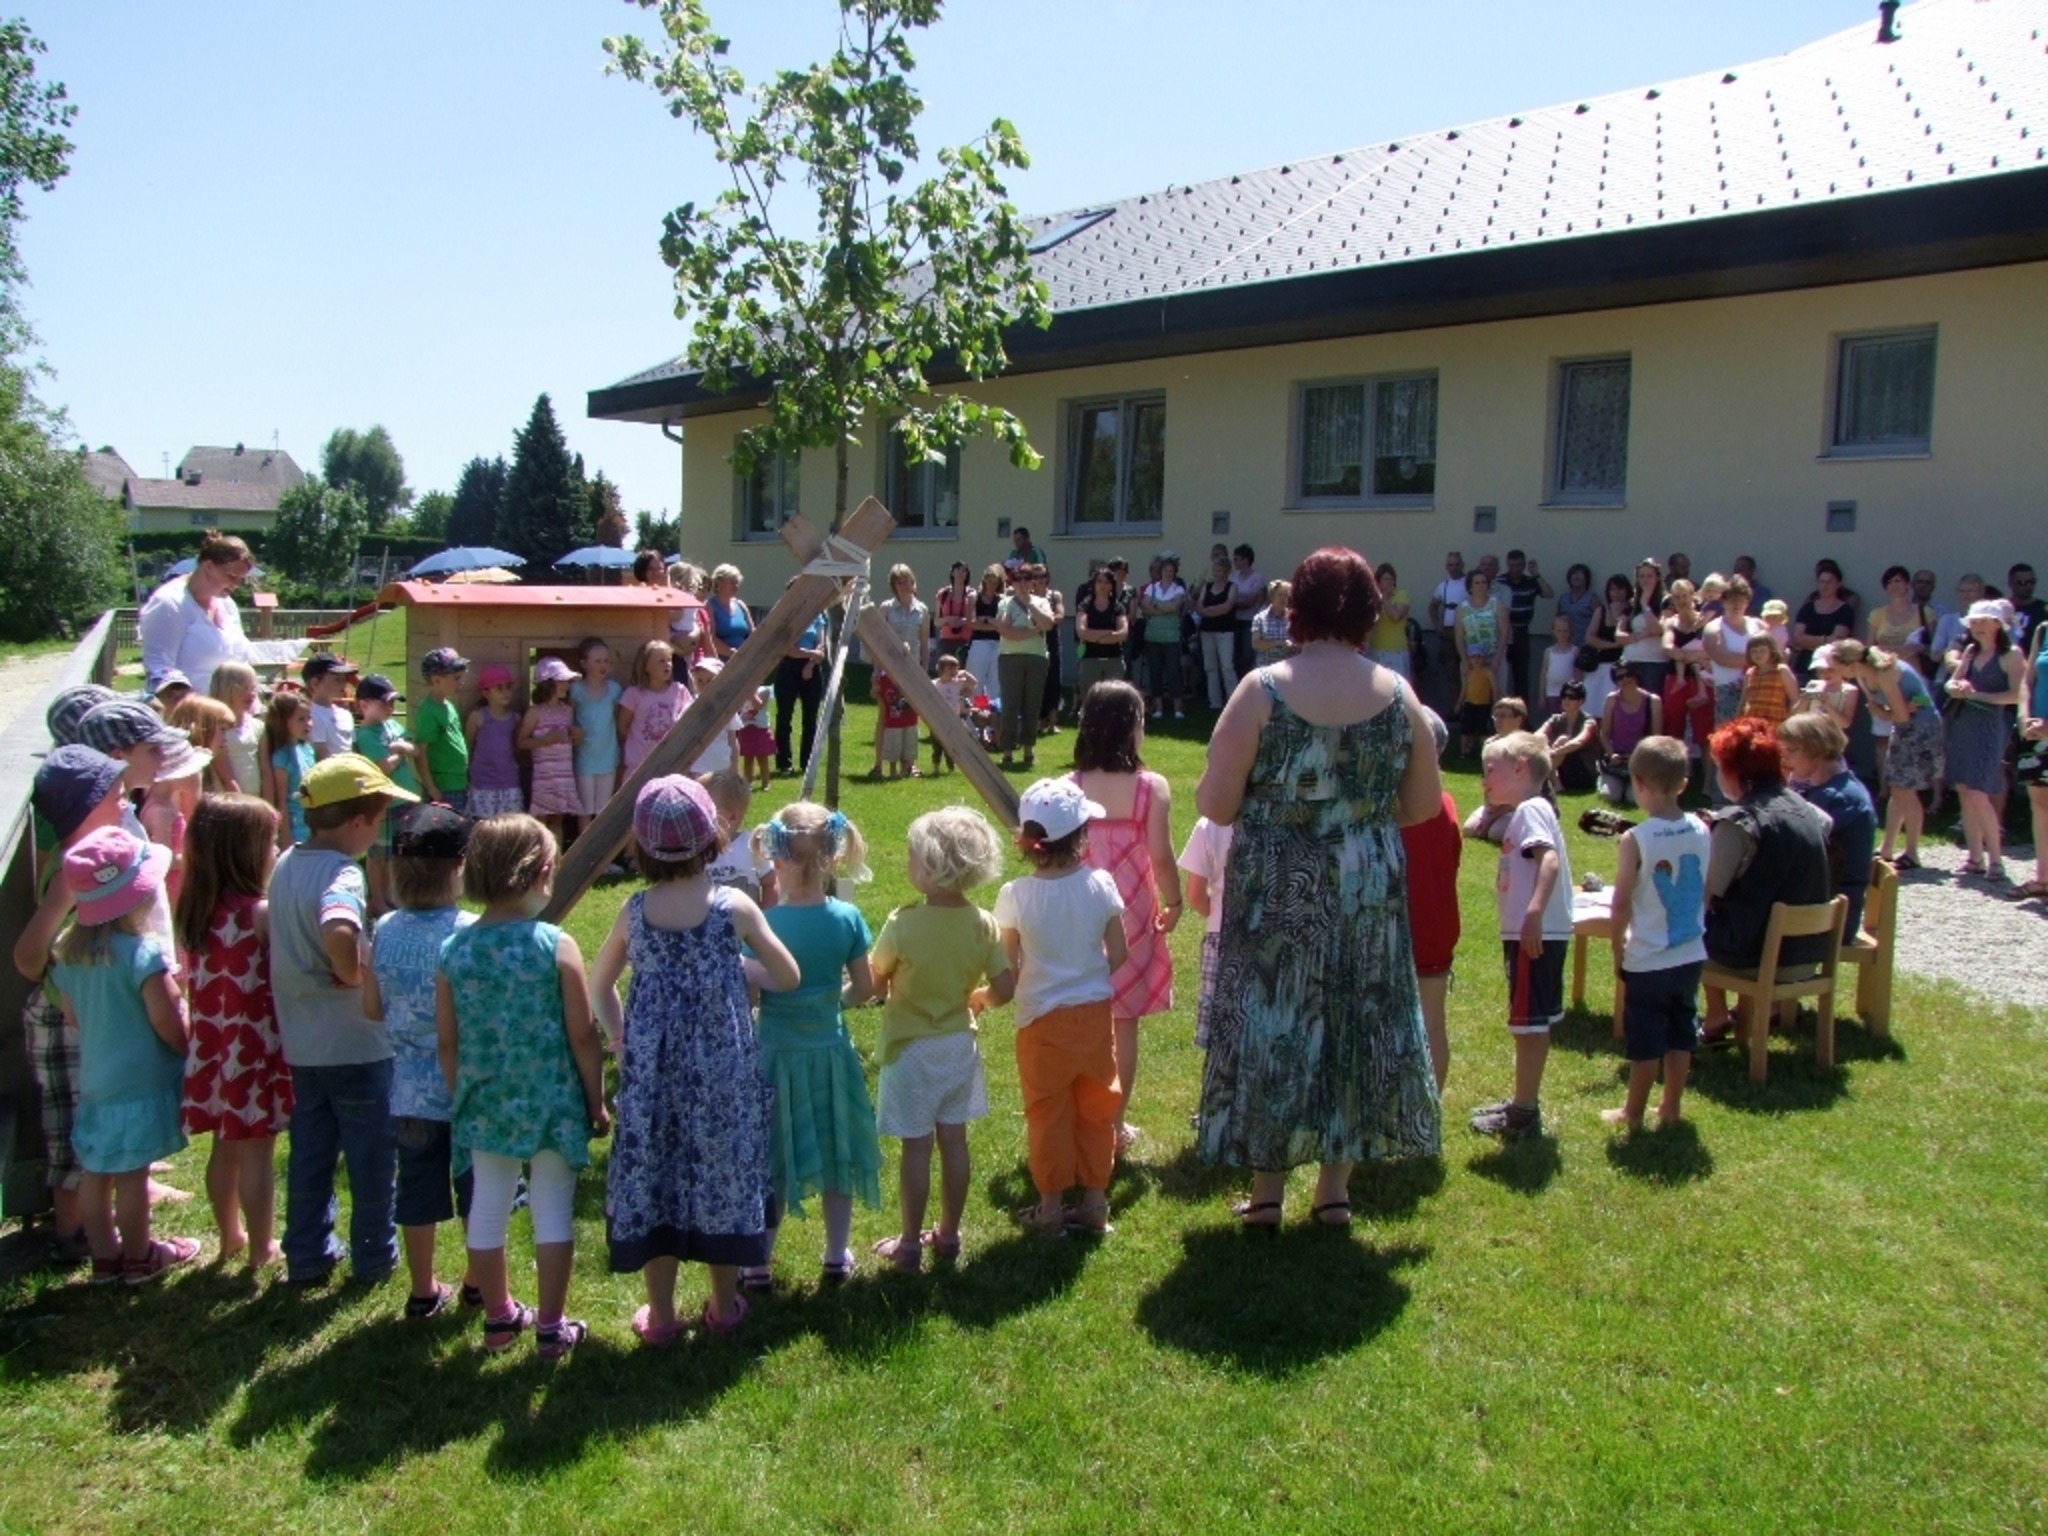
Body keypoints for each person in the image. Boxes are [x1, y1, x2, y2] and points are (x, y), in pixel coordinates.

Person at [1195, 546, 1443, 1224]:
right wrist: (1354, 817)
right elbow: (1423, 803)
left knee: (1276, 1020)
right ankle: (1334, 1191)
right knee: (1357, 1020)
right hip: (1367, 880)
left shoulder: (1262, 689)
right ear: (1368, 610)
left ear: (1296, 608)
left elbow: (1215, 805)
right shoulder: (1399, 695)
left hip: (1279, 878)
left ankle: (1268, 1193)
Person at [589, 776, 799, 1344]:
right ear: (713, 838)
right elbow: (786, 974)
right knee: (722, 1173)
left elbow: (599, 984)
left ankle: (660, 1317)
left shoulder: (634, 912)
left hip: (652, 1079)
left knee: (657, 1176)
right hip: (720, 1077)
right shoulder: (734, 907)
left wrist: (621, 1036)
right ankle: (724, 1306)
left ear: (642, 846)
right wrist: (742, 970)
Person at [437, 814, 606, 1359]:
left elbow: (447, 1042)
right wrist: (595, 1099)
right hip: (551, 1101)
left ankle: (497, 1318)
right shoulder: (555, 946)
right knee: (552, 1209)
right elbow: (582, 1034)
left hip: (484, 1102)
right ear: (540, 873)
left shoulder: (454, 952)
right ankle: (552, 1329)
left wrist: (457, 1095)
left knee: (487, 1206)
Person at [271, 753, 416, 1286]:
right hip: (356, 1044)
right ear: (356, 823)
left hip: (305, 1046)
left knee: (310, 1153)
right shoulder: (343, 874)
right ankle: (375, 1256)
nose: (377, 831)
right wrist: (354, 973)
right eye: (377, 821)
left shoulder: (287, 862)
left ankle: (306, 1255)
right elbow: (338, 927)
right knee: (372, 1157)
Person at [48, 827, 199, 1285]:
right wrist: (186, 1045)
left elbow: (72, 1017)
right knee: (133, 1177)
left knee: (97, 1174)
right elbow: (166, 1021)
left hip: (96, 1085)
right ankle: (140, 1257)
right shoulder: (143, 955)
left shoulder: (68, 956)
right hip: (141, 1084)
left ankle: (105, 1258)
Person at [742, 801, 882, 1288]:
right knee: (836, 1151)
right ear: (832, 858)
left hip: (775, 1055)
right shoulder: (847, 917)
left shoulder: (763, 925)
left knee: (772, 1157)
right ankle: (836, 1255)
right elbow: (866, 989)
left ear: (775, 858)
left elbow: (753, 992)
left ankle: (757, 1264)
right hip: (830, 1053)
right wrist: (834, 1001)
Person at [867, 807, 1012, 1272]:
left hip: (909, 1049)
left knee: (916, 1147)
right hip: (956, 1047)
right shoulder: (983, 923)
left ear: (930, 867)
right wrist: (980, 999)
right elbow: (1005, 988)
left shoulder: (902, 923)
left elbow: (875, 980)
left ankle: (910, 1243)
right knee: (955, 1141)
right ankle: (949, 1234)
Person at [986, 779, 1125, 1237]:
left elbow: (1008, 964)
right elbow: (1119, 954)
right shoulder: (1100, 884)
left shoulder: (1016, 894)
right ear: (1081, 835)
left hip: (1041, 1021)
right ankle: (1094, 1202)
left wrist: (987, 997)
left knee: (1047, 1111)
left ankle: (1049, 1208)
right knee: (1096, 1106)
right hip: (1094, 1015)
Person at [18, 748, 136, 1265]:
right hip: (60, 1016)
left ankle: (94, 1225)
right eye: (114, 795)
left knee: (92, 1120)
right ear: (85, 807)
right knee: (71, 1125)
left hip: (85, 1016)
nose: (124, 800)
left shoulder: (94, 856)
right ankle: (72, 1231)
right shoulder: (72, 872)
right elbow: (27, 958)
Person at [362, 804, 477, 1319]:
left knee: (416, 1192)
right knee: (478, 1191)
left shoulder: (384, 927)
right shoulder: (470, 930)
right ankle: (479, 1282)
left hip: (407, 1090)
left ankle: (423, 1289)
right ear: (459, 867)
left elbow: (371, 1007)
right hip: (468, 1089)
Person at [176, 793, 291, 1273]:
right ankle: (263, 1246)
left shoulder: (196, 909)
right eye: (270, 842)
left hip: (214, 1046)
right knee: (258, 1150)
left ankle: (230, 1237)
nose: (276, 851)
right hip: (253, 1049)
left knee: (225, 1147)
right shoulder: (259, 914)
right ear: (244, 851)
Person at [1067, 681, 1180, 1149]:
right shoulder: (1150, 788)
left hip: (1079, 913)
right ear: (1132, 728)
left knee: (1078, 1018)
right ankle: (1112, 1126)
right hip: (1130, 917)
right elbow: (1162, 855)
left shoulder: (1068, 788)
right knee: (1124, 1022)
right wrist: (1173, 902)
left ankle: (1075, 1120)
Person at [1699, 716, 1835, 1045]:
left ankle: (1699, 1018)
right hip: (1807, 952)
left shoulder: (1739, 823)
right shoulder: (1807, 810)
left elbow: (1705, 894)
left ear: (1735, 772)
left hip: (1755, 953)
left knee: (1679, 923)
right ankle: (1728, 1016)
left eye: (1718, 768)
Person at [1469, 731, 1574, 1140]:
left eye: (1490, 770)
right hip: (1535, 932)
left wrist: (1533, 912)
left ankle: (1524, 1111)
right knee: (1530, 1022)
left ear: (1520, 768)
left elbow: (1546, 860)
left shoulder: (1531, 810)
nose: (1484, 780)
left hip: (1534, 935)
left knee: (1528, 1025)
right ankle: (1521, 1101)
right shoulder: (1532, 808)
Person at [1602, 736, 1707, 1134]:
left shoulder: (1636, 839)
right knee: (1682, 1031)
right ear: (1683, 783)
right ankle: (1671, 1105)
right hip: (1691, 951)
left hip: (1648, 957)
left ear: (1639, 784)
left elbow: (1622, 902)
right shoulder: (1702, 827)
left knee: (1644, 1038)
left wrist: (1617, 948)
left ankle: (1632, 1111)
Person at [1834, 639, 1944, 871]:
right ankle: (1909, 852)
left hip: (1921, 729)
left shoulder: (1885, 673)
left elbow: (1900, 715)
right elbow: (1887, 712)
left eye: (1839, 666)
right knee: (1904, 791)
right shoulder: (1864, 677)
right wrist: (1888, 712)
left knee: (1901, 789)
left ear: (1852, 664)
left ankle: (1887, 848)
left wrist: (1888, 712)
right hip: (1904, 728)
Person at [1942, 600, 2027, 883]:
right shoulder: (1970, 651)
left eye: (1982, 621)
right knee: (1965, 789)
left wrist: (1977, 696)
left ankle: (1996, 860)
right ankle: (1974, 857)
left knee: (1979, 791)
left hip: (1991, 726)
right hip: (1963, 724)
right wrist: (1957, 688)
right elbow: (1951, 685)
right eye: (1973, 622)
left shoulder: (2011, 655)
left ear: (1997, 624)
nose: (1976, 627)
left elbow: (2017, 695)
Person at [1402, 705, 1462, 1092]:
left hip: (1400, 924)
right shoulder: (1448, 802)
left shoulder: (1396, 805)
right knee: (1433, 1022)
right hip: (1439, 922)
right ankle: (1429, 1110)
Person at [1783, 713, 1878, 938]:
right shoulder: (1829, 789)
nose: (1785, 759)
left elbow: (1796, 853)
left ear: (1816, 749)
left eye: (1792, 750)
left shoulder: (1840, 799)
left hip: (1833, 917)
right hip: (1820, 904)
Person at [137, 530, 257, 696]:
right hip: (187, 715)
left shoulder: (227, 605)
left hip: (229, 715)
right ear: (208, 566)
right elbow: (159, 671)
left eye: (242, 579)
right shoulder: (170, 603)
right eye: (231, 576)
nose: (237, 584)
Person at [350, 674, 420, 920]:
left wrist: (400, 748)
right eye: (385, 703)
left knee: (394, 853)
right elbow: (383, 767)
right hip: (382, 803)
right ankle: (377, 900)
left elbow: (415, 747)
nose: (391, 708)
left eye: (393, 703)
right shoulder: (366, 734)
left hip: (404, 800)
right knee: (377, 854)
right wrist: (400, 751)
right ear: (364, 705)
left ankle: (391, 897)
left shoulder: (393, 727)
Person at [1176, 812, 1234, 1054]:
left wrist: (1217, 913)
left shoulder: (1210, 825)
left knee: (1218, 1020)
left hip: (1219, 932)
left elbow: (1195, 894)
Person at [995, 564, 1056, 767]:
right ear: (1012, 582)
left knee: (1032, 704)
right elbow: (1007, 632)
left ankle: (1028, 749)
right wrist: (1032, 630)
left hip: (1037, 657)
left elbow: (1048, 624)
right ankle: (1007, 751)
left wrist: (1030, 605)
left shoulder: (1042, 601)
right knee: (1010, 705)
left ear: (1033, 582)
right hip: (1010, 658)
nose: (1022, 583)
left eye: (1026, 579)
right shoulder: (1005, 603)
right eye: (1018, 579)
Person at [518, 657, 583, 843]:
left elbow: (568, 740)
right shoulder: (535, 712)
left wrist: (578, 736)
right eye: (562, 681)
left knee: (558, 820)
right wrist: (545, 740)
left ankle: (556, 862)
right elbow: (521, 742)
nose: (566, 685)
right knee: (540, 821)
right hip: (544, 777)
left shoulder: (567, 710)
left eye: (567, 681)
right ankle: (538, 859)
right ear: (548, 685)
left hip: (563, 775)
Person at [571, 638, 624, 829]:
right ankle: (583, 855)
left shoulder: (614, 689)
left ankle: (601, 857)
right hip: (584, 757)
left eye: (606, 661)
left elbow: (619, 720)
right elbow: (568, 718)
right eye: (597, 661)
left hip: (607, 756)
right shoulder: (576, 690)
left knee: (602, 810)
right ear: (584, 664)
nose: (603, 665)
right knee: (585, 809)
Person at [2012, 623, 2048, 902]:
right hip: (2036, 732)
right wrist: (2024, 716)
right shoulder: (2043, 630)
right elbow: (2028, 679)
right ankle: (2043, 878)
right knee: (2040, 803)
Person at [701, 770, 774, 907]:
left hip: (746, 925)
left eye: (706, 811)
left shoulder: (752, 845)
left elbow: (770, 883)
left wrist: (768, 917)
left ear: (733, 816)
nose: (698, 817)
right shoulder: (695, 850)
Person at [1703, 574, 1768, 727]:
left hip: (1758, 688)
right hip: (1728, 690)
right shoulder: (1714, 628)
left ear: (1747, 601)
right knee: (1728, 741)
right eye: (1732, 599)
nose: (1737, 604)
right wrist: (1759, 658)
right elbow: (1724, 659)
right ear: (1723, 601)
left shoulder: (1758, 625)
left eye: (1741, 599)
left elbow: (1774, 655)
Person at [619, 640, 690, 780]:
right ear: (646, 666)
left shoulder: (679, 691)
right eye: (661, 661)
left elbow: (689, 722)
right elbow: (622, 726)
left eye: (669, 660)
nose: (668, 665)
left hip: (670, 763)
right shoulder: (634, 694)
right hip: (639, 766)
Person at [412, 648, 471, 811]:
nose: (461, 683)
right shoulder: (428, 711)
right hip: (443, 788)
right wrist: (431, 788)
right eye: (456, 678)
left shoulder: (448, 705)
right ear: (436, 680)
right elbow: (421, 752)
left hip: (459, 783)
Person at [774, 600, 828, 776]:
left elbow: (821, 647)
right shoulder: (787, 617)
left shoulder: (818, 615)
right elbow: (786, 648)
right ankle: (784, 763)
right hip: (788, 667)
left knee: (810, 719)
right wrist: (810, 654)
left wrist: (810, 664)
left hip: (811, 669)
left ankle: (807, 763)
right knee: (784, 716)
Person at [465, 664, 526, 819]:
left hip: (509, 782)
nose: (506, 692)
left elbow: (517, 749)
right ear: (486, 692)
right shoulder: (478, 717)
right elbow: (468, 747)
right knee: (484, 827)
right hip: (483, 784)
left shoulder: (515, 718)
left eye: (508, 687)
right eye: (499, 688)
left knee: (510, 827)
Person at [1498, 548, 1554, 701]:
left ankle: (1522, 716)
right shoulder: (1500, 582)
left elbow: (1549, 594)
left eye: (1518, 566)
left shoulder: (1530, 582)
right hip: (1502, 632)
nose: (1515, 569)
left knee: (1521, 676)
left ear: (1523, 566)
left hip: (1522, 633)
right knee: (1499, 674)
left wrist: (1536, 574)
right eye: (1511, 566)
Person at [1138, 556, 1189, 720]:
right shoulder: (1151, 588)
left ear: (1175, 573)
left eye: (1171, 570)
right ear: (1160, 572)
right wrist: (1165, 609)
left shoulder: (1178, 589)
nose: (1168, 573)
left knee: (1174, 672)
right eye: (1165, 570)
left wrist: (1155, 607)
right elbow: (1145, 608)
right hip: (1153, 636)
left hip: (1172, 637)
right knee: (1155, 672)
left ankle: (1177, 709)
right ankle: (1158, 708)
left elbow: (1175, 606)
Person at [261, 691, 314, 846]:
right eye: (301, 719)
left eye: (309, 718)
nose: (308, 724)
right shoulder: (281, 757)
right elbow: (281, 800)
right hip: (295, 827)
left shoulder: (307, 750)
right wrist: (286, 837)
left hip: (311, 822)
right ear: (283, 722)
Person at [206, 661, 265, 798]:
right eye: (244, 688)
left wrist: (268, 803)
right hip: (229, 801)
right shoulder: (216, 728)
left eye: (253, 688)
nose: (251, 693)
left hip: (256, 800)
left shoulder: (258, 726)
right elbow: (227, 779)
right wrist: (244, 806)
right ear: (226, 689)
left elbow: (266, 771)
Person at [1791, 560, 1856, 680]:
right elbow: (1797, 638)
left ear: (1838, 584)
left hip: (1831, 670)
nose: (1825, 586)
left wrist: (1808, 642)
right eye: (1822, 582)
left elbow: (1837, 641)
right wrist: (1825, 639)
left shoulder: (1845, 610)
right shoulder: (1808, 608)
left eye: (1829, 582)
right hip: (1804, 667)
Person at [1073, 565, 1129, 704]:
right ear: (1094, 584)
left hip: (1114, 659)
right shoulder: (1085, 606)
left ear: (1112, 585)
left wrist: (1095, 636)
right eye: (1099, 581)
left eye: (1106, 582)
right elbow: (1081, 632)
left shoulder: (1118, 607)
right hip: (1090, 660)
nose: (1103, 585)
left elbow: (1123, 634)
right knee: (1090, 700)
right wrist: (1109, 634)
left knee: (1114, 700)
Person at [1194, 551, 1240, 709]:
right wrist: (1213, 610)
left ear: (1227, 571)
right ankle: (1215, 703)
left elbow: (1227, 607)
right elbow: (1199, 607)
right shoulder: (1206, 587)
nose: (1215, 573)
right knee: (1210, 667)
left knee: (1227, 666)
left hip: (1225, 631)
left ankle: (1233, 702)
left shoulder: (1232, 587)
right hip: (1207, 631)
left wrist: (1209, 610)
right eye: (1214, 570)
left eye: (1219, 570)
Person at [1539, 680, 1601, 794]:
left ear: (1581, 701)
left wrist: (1553, 752)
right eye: (1564, 696)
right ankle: (1555, 783)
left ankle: (1550, 782)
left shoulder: (1589, 721)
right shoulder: (1556, 719)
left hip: (1583, 772)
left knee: (1563, 739)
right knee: (1544, 742)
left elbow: (1578, 742)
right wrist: (1545, 747)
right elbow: (1539, 734)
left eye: (1572, 697)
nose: (1566, 700)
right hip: (1561, 769)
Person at [1619, 558, 1669, 696]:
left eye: (1649, 575)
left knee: (1651, 705)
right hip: (1630, 662)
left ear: (1657, 577)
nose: (1645, 580)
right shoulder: (1631, 604)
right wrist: (1641, 635)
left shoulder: (1666, 601)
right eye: (1641, 576)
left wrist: (1645, 603)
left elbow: (1658, 630)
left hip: (1654, 663)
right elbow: (1618, 636)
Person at [302, 655, 358, 761]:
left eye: (344, 679)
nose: (344, 684)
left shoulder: (345, 714)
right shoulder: (311, 715)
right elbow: (321, 756)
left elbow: (353, 750)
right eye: (337, 679)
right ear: (315, 683)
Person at [964, 563, 1006, 698]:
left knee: (995, 683)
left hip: (997, 643)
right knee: (975, 680)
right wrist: (993, 624)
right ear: (984, 579)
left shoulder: (1001, 600)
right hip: (979, 642)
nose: (991, 584)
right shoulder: (974, 597)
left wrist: (985, 619)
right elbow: (972, 623)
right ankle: (970, 715)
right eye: (989, 580)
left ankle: (992, 715)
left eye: (995, 582)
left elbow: (1002, 625)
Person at [1739, 634, 1798, 725]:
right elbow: (1743, 702)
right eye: (1754, 651)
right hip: (1751, 724)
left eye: (1762, 650)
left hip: (1775, 723)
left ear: (1771, 651)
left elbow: (1794, 699)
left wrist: (1790, 723)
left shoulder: (1781, 670)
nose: (1758, 654)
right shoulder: (1750, 673)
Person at [1367, 563, 1413, 678]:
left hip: (1395, 650)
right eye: (1385, 579)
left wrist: (1385, 599)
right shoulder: (1372, 597)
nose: (1388, 582)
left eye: (1391, 579)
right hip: (1375, 648)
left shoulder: (1401, 595)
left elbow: (1396, 617)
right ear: (1378, 581)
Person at [704, 564, 755, 660]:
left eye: (737, 582)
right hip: (722, 661)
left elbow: (753, 634)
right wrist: (731, 653)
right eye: (732, 582)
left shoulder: (741, 605)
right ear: (719, 583)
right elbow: (710, 638)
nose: (736, 586)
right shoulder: (709, 606)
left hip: (744, 659)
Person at [1229, 544, 1264, 676]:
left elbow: (1252, 600)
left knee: (1247, 655)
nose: (1235, 561)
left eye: (1237, 559)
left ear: (1245, 560)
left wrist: (1232, 603)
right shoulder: (1233, 576)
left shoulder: (1257, 577)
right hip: (1234, 620)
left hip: (1250, 621)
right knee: (1235, 654)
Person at [935, 560, 976, 664]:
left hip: (965, 641)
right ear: (952, 572)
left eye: (964, 570)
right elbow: (936, 621)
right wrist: (948, 620)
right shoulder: (943, 594)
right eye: (957, 569)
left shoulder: (972, 594)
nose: (960, 573)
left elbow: (975, 619)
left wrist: (962, 621)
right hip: (946, 641)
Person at [1540, 614, 1577, 716]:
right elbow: (1544, 674)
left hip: (1569, 694)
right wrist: (1542, 695)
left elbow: (1578, 673)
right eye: (1559, 631)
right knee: (1554, 720)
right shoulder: (1549, 651)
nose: (1563, 634)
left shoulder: (1574, 651)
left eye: (1565, 631)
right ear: (1554, 632)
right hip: (1552, 692)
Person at [1556, 563, 1600, 649]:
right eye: (1574, 573)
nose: (1576, 576)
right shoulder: (1563, 598)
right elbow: (1556, 622)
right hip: (1565, 646)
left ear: (1586, 579)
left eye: (1580, 574)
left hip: (1584, 646)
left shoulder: (1592, 599)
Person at [1251, 578, 1294, 659]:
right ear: (1272, 596)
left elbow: (1303, 643)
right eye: (1280, 595)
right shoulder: (1259, 618)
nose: (1283, 599)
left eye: (1286, 595)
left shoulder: (1294, 619)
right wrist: (1277, 643)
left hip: (1288, 666)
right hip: (1267, 666)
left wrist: (1293, 644)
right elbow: (1256, 644)